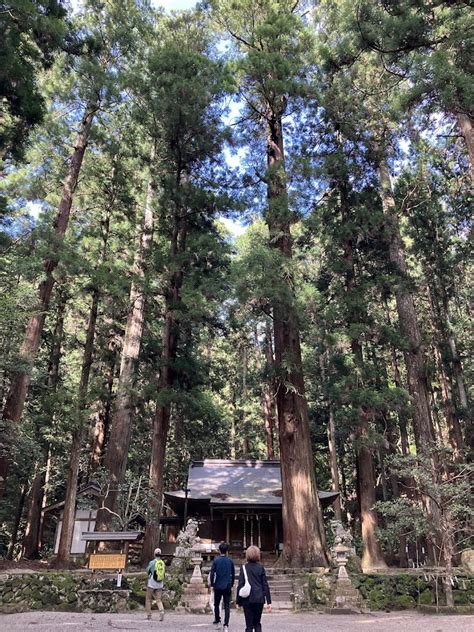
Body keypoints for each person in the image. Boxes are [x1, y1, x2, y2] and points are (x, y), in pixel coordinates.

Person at [236, 545, 271, 632]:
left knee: (249, 625)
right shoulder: (260, 568)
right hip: (259, 598)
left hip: (247, 598)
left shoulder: (244, 568)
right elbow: (265, 585)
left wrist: (238, 601)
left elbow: (240, 584)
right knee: (257, 623)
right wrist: (268, 601)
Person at [210, 541, 235, 631]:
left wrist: (212, 584)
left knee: (216, 604)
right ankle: (226, 624)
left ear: (219, 550)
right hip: (227, 585)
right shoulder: (230, 561)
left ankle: (218, 620)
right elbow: (232, 574)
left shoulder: (216, 560)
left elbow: (212, 573)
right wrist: (232, 584)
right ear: (227, 551)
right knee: (227, 605)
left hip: (218, 585)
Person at [145, 547, 165, 621]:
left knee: (148, 599)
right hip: (160, 583)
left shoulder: (152, 562)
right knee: (158, 600)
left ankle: (149, 614)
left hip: (152, 583)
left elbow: (147, 570)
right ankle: (161, 611)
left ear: (154, 554)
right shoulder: (162, 563)